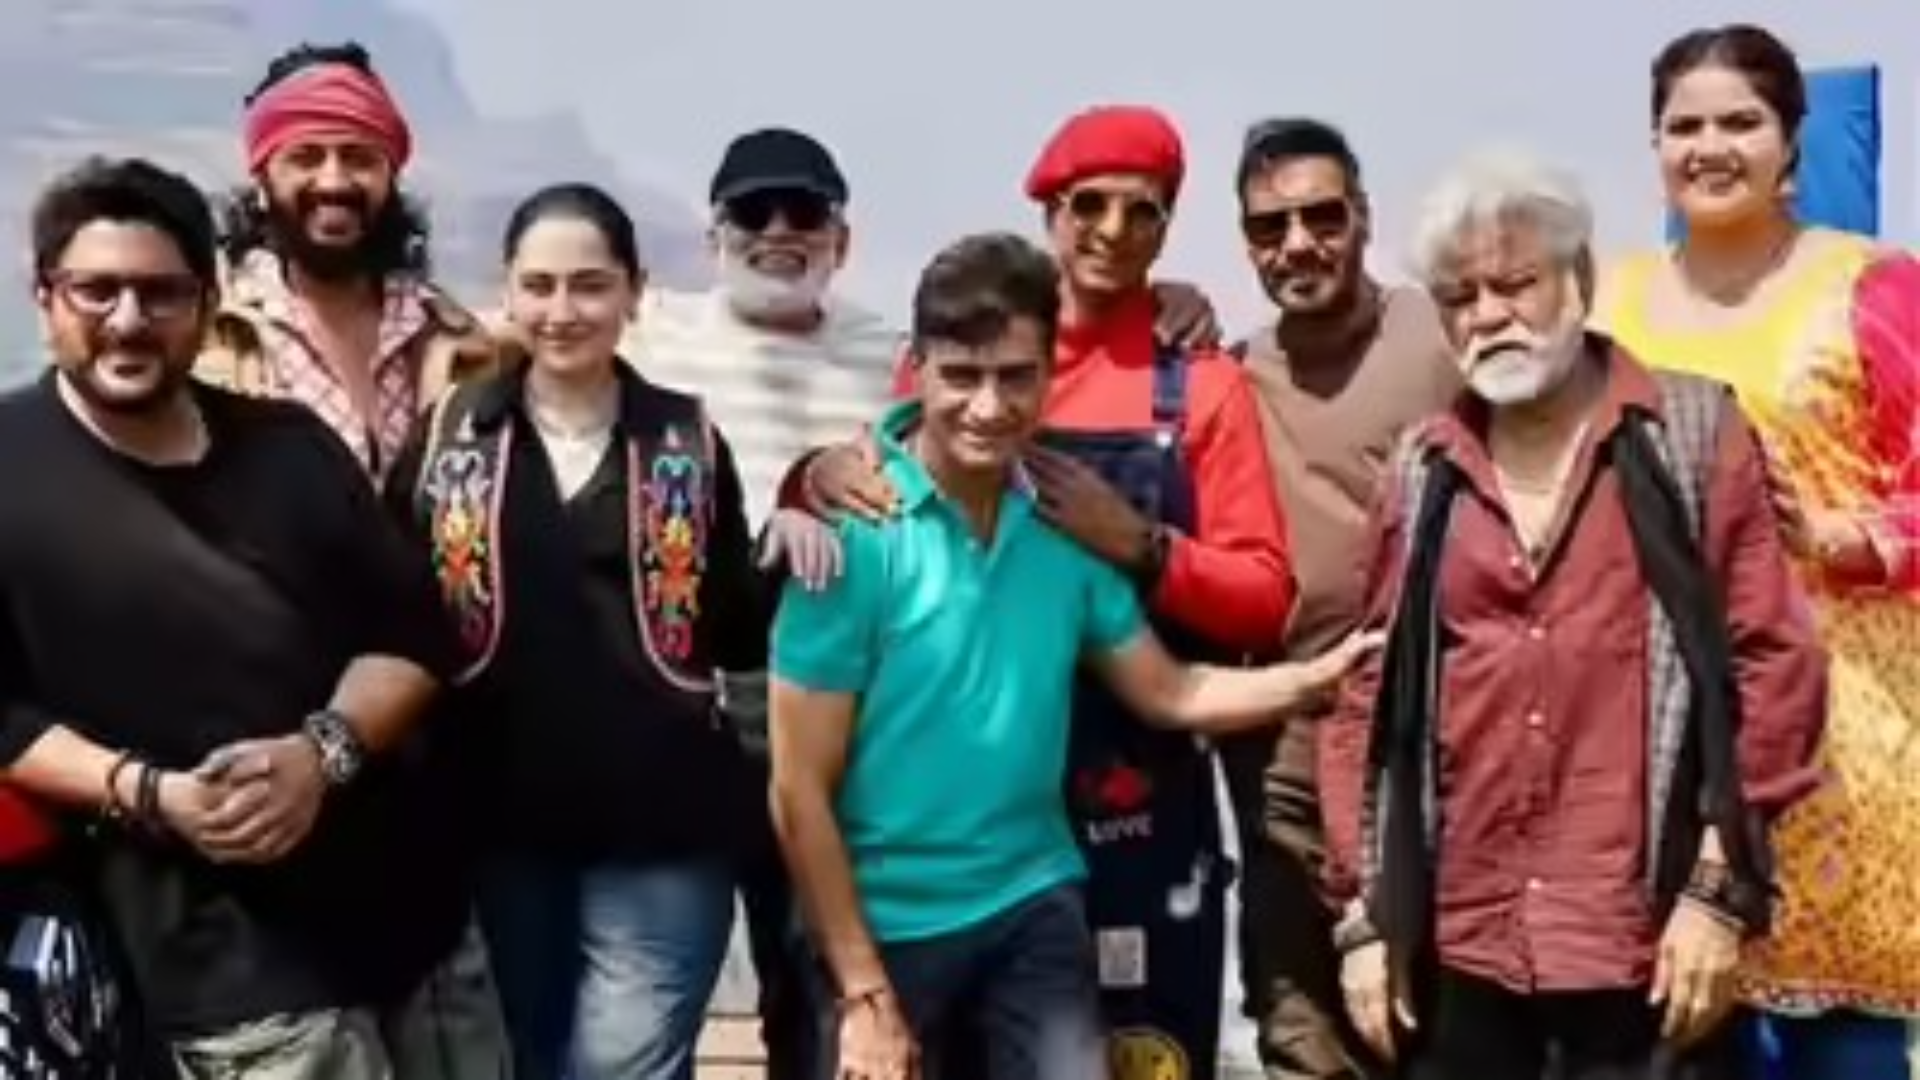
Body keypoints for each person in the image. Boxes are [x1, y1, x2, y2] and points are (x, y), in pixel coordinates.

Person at [628, 124, 1235, 1079]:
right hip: (716, 712)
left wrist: (1163, 304)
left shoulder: (886, 352)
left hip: (865, 714)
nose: (778, 231)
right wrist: (808, 477)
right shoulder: (650, 331)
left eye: (803, 212)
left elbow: (947, 418)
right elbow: (544, 338)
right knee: (745, 997)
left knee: (816, 979)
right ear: (713, 236)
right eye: (752, 212)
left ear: (842, 239)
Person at [770, 231, 1375, 1080]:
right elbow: (797, 790)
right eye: (962, 376)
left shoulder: (1062, 530)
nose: (988, 407)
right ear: (919, 370)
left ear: (1050, 372)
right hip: (883, 928)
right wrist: (865, 997)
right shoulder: (854, 538)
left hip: (1031, 907)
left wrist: (1312, 681)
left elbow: (1172, 692)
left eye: (1015, 376)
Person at [1319, 150, 1828, 1080]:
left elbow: (1774, 664)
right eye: (1459, 296)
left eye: (1515, 283)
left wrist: (1717, 889)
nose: (1488, 316)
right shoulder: (1423, 469)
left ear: (1579, 279)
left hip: (1647, 955)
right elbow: (1367, 699)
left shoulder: (1691, 434)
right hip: (1462, 953)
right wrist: (1362, 915)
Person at [0, 156, 470, 1077]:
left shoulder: (290, 446)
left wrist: (322, 754)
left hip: (421, 929)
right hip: (223, 963)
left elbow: (412, 637)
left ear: (209, 302)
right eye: (97, 291)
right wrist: (153, 793)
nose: (127, 320)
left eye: (161, 293)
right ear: (44, 295)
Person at [387, 182, 832, 1080]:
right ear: (507, 291)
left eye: (590, 285)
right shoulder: (453, 435)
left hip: (662, 830)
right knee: (528, 1055)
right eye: (539, 286)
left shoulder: (685, 442)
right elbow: (395, 606)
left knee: (629, 1065)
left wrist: (791, 528)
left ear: (634, 291)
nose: (562, 311)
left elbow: (732, 630)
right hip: (499, 825)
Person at [1595, 24, 1920, 1078]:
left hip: (1840, 734)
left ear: (1791, 142)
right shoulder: (1608, 302)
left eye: (1740, 122)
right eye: (1683, 126)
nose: (1710, 148)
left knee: (1839, 1050)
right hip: (1656, 727)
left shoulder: (1875, 287)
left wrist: (1843, 537)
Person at [1228, 117, 1459, 1080]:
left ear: (1363, 216)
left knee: (1450, 1026)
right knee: (1306, 1031)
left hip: (1442, 747)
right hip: (1289, 754)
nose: (1297, 244)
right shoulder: (1231, 371)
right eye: (1269, 226)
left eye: (1322, 216)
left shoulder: (1446, 333)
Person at [197, 40, 496, 481]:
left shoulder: (455, 340)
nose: (333, 181)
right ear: (262, 179)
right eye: (306, 158)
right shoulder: (211, 337)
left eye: (358, 158)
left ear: (390, 177)